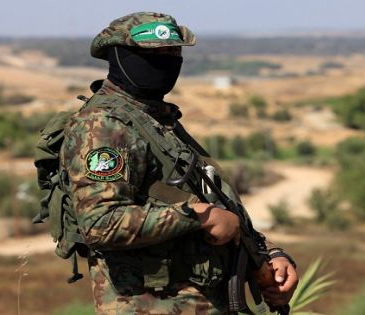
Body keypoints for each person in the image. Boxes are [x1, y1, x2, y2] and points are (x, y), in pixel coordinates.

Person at [60, 11, 298, 314]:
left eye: (173, 52)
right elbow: (100, 222)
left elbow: (212, 200)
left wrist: (269, 257)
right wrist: (199, 216)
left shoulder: (155, 119)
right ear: (118, 56)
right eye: (154, 53)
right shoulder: (104, 126)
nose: (166, 60)